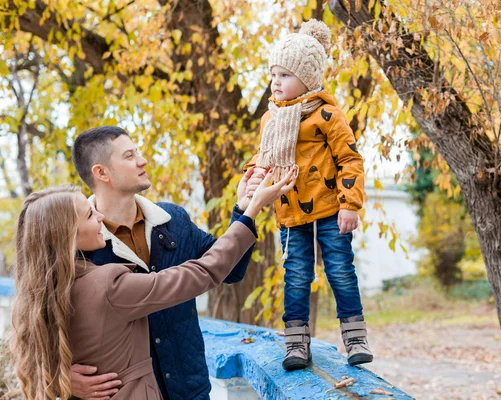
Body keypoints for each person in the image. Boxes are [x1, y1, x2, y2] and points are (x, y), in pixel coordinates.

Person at [10, 171, 295, 399]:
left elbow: (36, 344)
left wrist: (60, 378)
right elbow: (206, 270)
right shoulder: (105, 283)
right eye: (88, 215)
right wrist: (251, 211)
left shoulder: (49, 286)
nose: (98, 217)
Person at [68, 126, 260, 399]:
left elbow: (228, 270)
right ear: (102, 173)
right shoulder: (79, 245)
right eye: (129, 155)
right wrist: (60, 376)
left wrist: (244, 209)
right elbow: (41, 325)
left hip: (191, 391)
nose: (142, 161)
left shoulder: (174, 219)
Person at [245, 19, 372, 371]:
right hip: (290, 213)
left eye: (285, 75)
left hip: (332, 210)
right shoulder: (271, 119)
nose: (276, 82)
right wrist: (252, 175)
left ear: (308, 77)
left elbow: (350, 159)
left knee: (340, 271)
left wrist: (350, 205)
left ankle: (355, 337)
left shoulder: (327, 114)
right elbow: (263, 156)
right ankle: (296, 344)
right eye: (274, 75)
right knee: (297, 275)